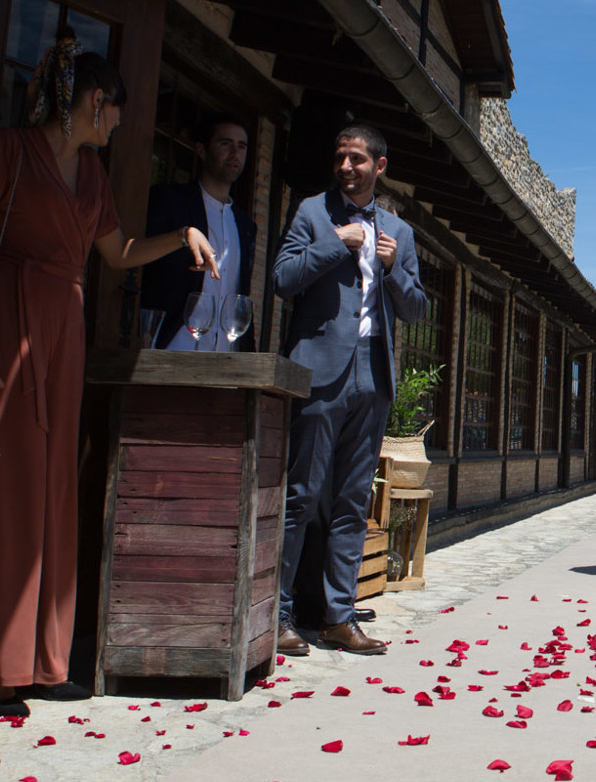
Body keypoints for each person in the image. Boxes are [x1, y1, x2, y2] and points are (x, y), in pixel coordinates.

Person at [0, 31, 218, 714]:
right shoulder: (9, 149)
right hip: (9, 316)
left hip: (64, 325)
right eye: (118, 109)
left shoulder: (94, 177)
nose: (122, 122)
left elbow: (120, 251)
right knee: (7, 483)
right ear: (96, 101)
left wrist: (182, 237)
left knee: (53, 485)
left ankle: (44, 659)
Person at [272, 124, 424, 657]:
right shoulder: (312, 213)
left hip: (373, 376)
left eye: (357, 159)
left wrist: (390, 269)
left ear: (379, 166)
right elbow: (283, 279)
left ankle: (339, 617)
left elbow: (416, 309)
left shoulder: (399, 234)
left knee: (353, 501)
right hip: (318, 370)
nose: (346, 167)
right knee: (300, 494)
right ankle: (279, 614)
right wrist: (335, 244)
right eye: (340, 157)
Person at [142, 113, 255, 350]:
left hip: (226, 357)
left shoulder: (246, 226)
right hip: (172, 348)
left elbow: (240, 293)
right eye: (225, 144)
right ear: (201, 150)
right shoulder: (171, 202)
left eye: (241, 146)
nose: (235, 153)